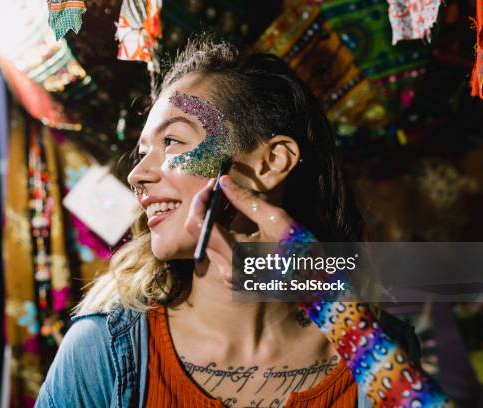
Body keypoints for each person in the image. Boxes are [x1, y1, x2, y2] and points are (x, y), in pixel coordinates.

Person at [35, 36, 451, 408]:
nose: (137, 174)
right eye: (143, 151)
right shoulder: (104, 353)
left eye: (173, 141)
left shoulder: (373, 350)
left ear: (271, 162)